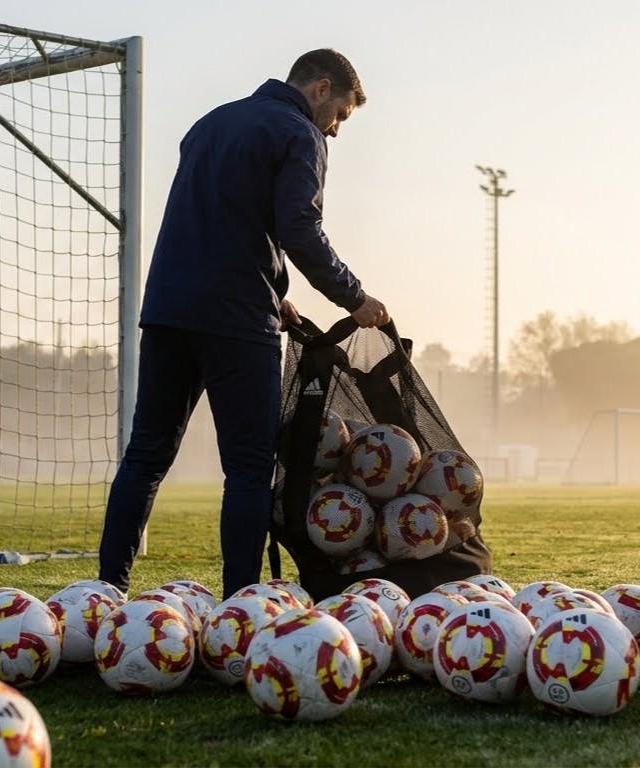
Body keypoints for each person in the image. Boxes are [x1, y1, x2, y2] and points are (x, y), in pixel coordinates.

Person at [98, 49, 389, 599]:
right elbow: (300, 230)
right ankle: (240, 605)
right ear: (321, 88)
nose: (336, 130)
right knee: (250, 469)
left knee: (145, 456)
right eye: (341, 116)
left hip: (168, 310)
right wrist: (355, 298)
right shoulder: (300, 133)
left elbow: (225, 221)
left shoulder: (209, 123)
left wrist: (277, 294)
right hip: (235, 322)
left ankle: (106, 592)